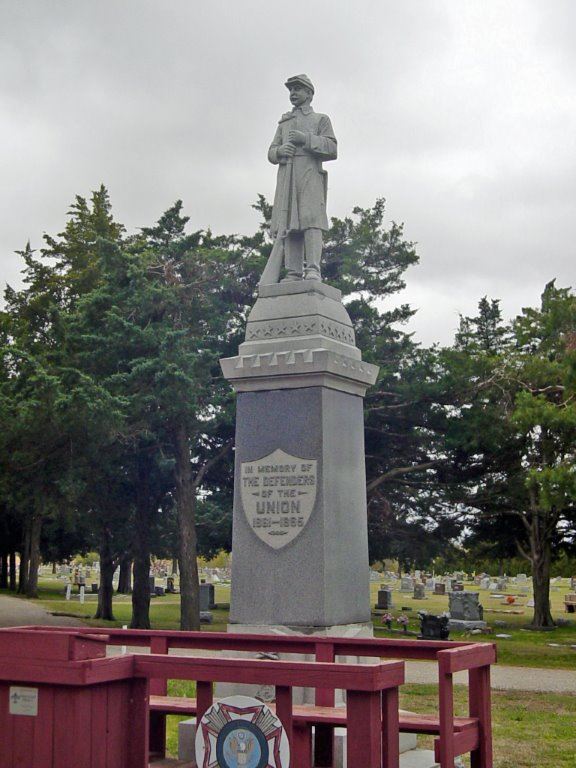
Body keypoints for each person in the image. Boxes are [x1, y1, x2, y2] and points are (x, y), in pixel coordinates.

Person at [267, 74, 337, 282]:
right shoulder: (285, 122)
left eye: (298, 89)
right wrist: (280, 151)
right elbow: (271, 151)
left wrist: (304, 139)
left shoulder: (320, 120)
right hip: (287, 174)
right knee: (289, 222)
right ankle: (293, 272)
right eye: (291, 90)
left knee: (311, 219)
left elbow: (332, 148)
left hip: (310, 173)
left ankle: (313, 268)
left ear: (309, 93)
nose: (293, 93)